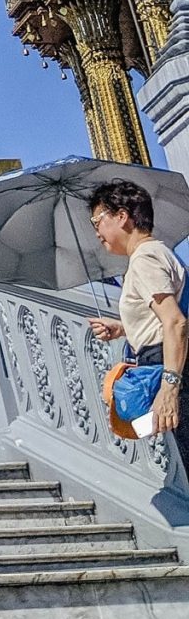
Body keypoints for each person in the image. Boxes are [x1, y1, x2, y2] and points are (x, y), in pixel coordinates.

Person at [87, 178, 189, 478]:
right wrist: (123, 328)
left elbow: (175, 321)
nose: (96, 232)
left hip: (168, 366)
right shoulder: (156, 253)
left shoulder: (144, 258)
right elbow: (163, 318)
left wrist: (170, 388)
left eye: (97, 220)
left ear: (122, 216)